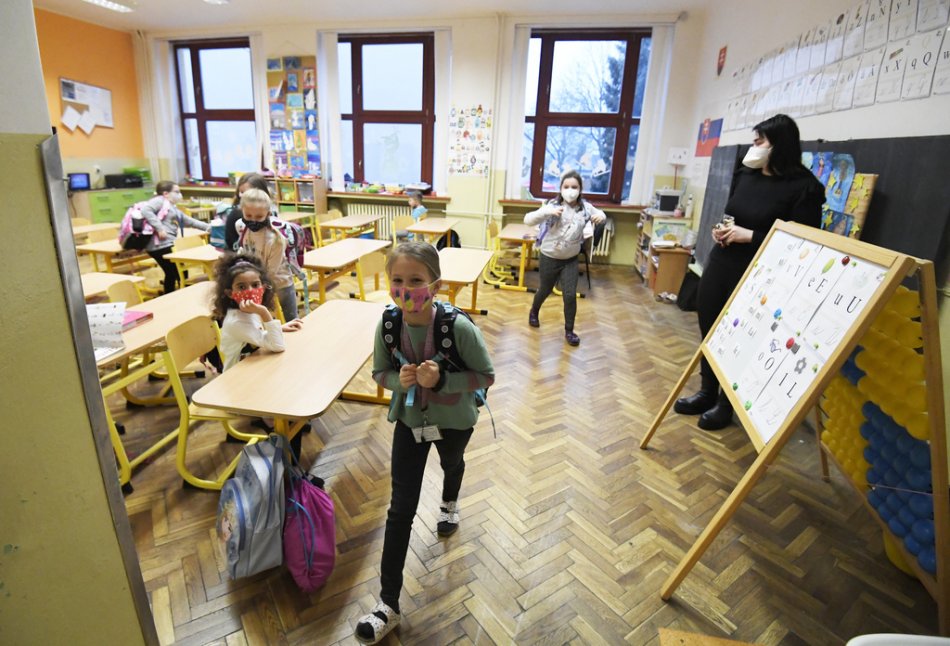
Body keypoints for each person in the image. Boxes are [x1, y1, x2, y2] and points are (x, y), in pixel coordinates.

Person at [355, 242, 494, 645]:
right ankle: (388, 604)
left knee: (452, 464)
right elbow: (379, 372)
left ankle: (450, 500)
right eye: (397, 280)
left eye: (415, 280)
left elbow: (486, 375)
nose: (405, 289)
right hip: (410, 423)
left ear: (436, 285)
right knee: (400, 509)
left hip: (454, 422)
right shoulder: (387, 325)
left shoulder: (458, 328)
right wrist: (397, 382)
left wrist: (443, 380)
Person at [674, 114, 825, 431]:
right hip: (722, 262)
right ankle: (707, 391)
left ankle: (726, 403)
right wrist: (723, 230)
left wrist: (751, 236)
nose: (754, 147)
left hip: (762, 273)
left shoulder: (804, 187)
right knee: (711, 327)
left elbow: (803, 244)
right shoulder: (747, 175)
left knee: (741, 337)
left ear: (779, 145)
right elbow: (734, 214)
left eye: (760, 141)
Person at [524, 169, 606, 346]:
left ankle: (569, 331)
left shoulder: (585, 208)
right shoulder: (551, 205)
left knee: (569, 295)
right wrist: (547, 212)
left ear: (580, 189)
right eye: (566, 186)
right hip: (549, 257)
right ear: (560, 188)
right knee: (545, 289)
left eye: (574, 187)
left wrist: (600, 217)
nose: (570, 190)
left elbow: (601, 214)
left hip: (570, 260)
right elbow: (528, 220)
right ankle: (534, 311)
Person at [211, 252, 303, 372]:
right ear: (230, 293)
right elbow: (278, 346)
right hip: (238, 376)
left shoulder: (249, 310)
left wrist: (279, 328)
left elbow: (255, 333)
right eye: (241, 287)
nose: (250, 291)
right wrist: (264, 312)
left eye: (255, 285)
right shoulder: (236, 322)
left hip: (255, 367)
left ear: (263, 288)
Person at [234, 188, 299, 321]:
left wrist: (254, 283)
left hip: (280, 283)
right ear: (242, 211)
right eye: (248, 216)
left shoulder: (276, 240)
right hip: (256, 282)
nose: (253, 220)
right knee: (260, 319)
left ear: (268, 214)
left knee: (291, 319)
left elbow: (271, 272)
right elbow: (244, 249)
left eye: (259, 217)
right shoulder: (242, 227)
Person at [142, 181, 211, 294]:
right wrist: (160, 229)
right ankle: (178, 294)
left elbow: (189, 221)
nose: (180, 194)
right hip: (159, 245)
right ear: (166, 193)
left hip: (166, 244)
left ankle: (176, 293)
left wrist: (210, 227)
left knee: (175, 273)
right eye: (176, 192)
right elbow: (146, 210)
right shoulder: (159, 200)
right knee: (175, 272)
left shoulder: (170, 207)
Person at [223, 173, 275, 252]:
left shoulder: (270, 212)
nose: (242, 195)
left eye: (259, 217)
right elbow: (232, 245)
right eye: (241, 192)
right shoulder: (236, 215)